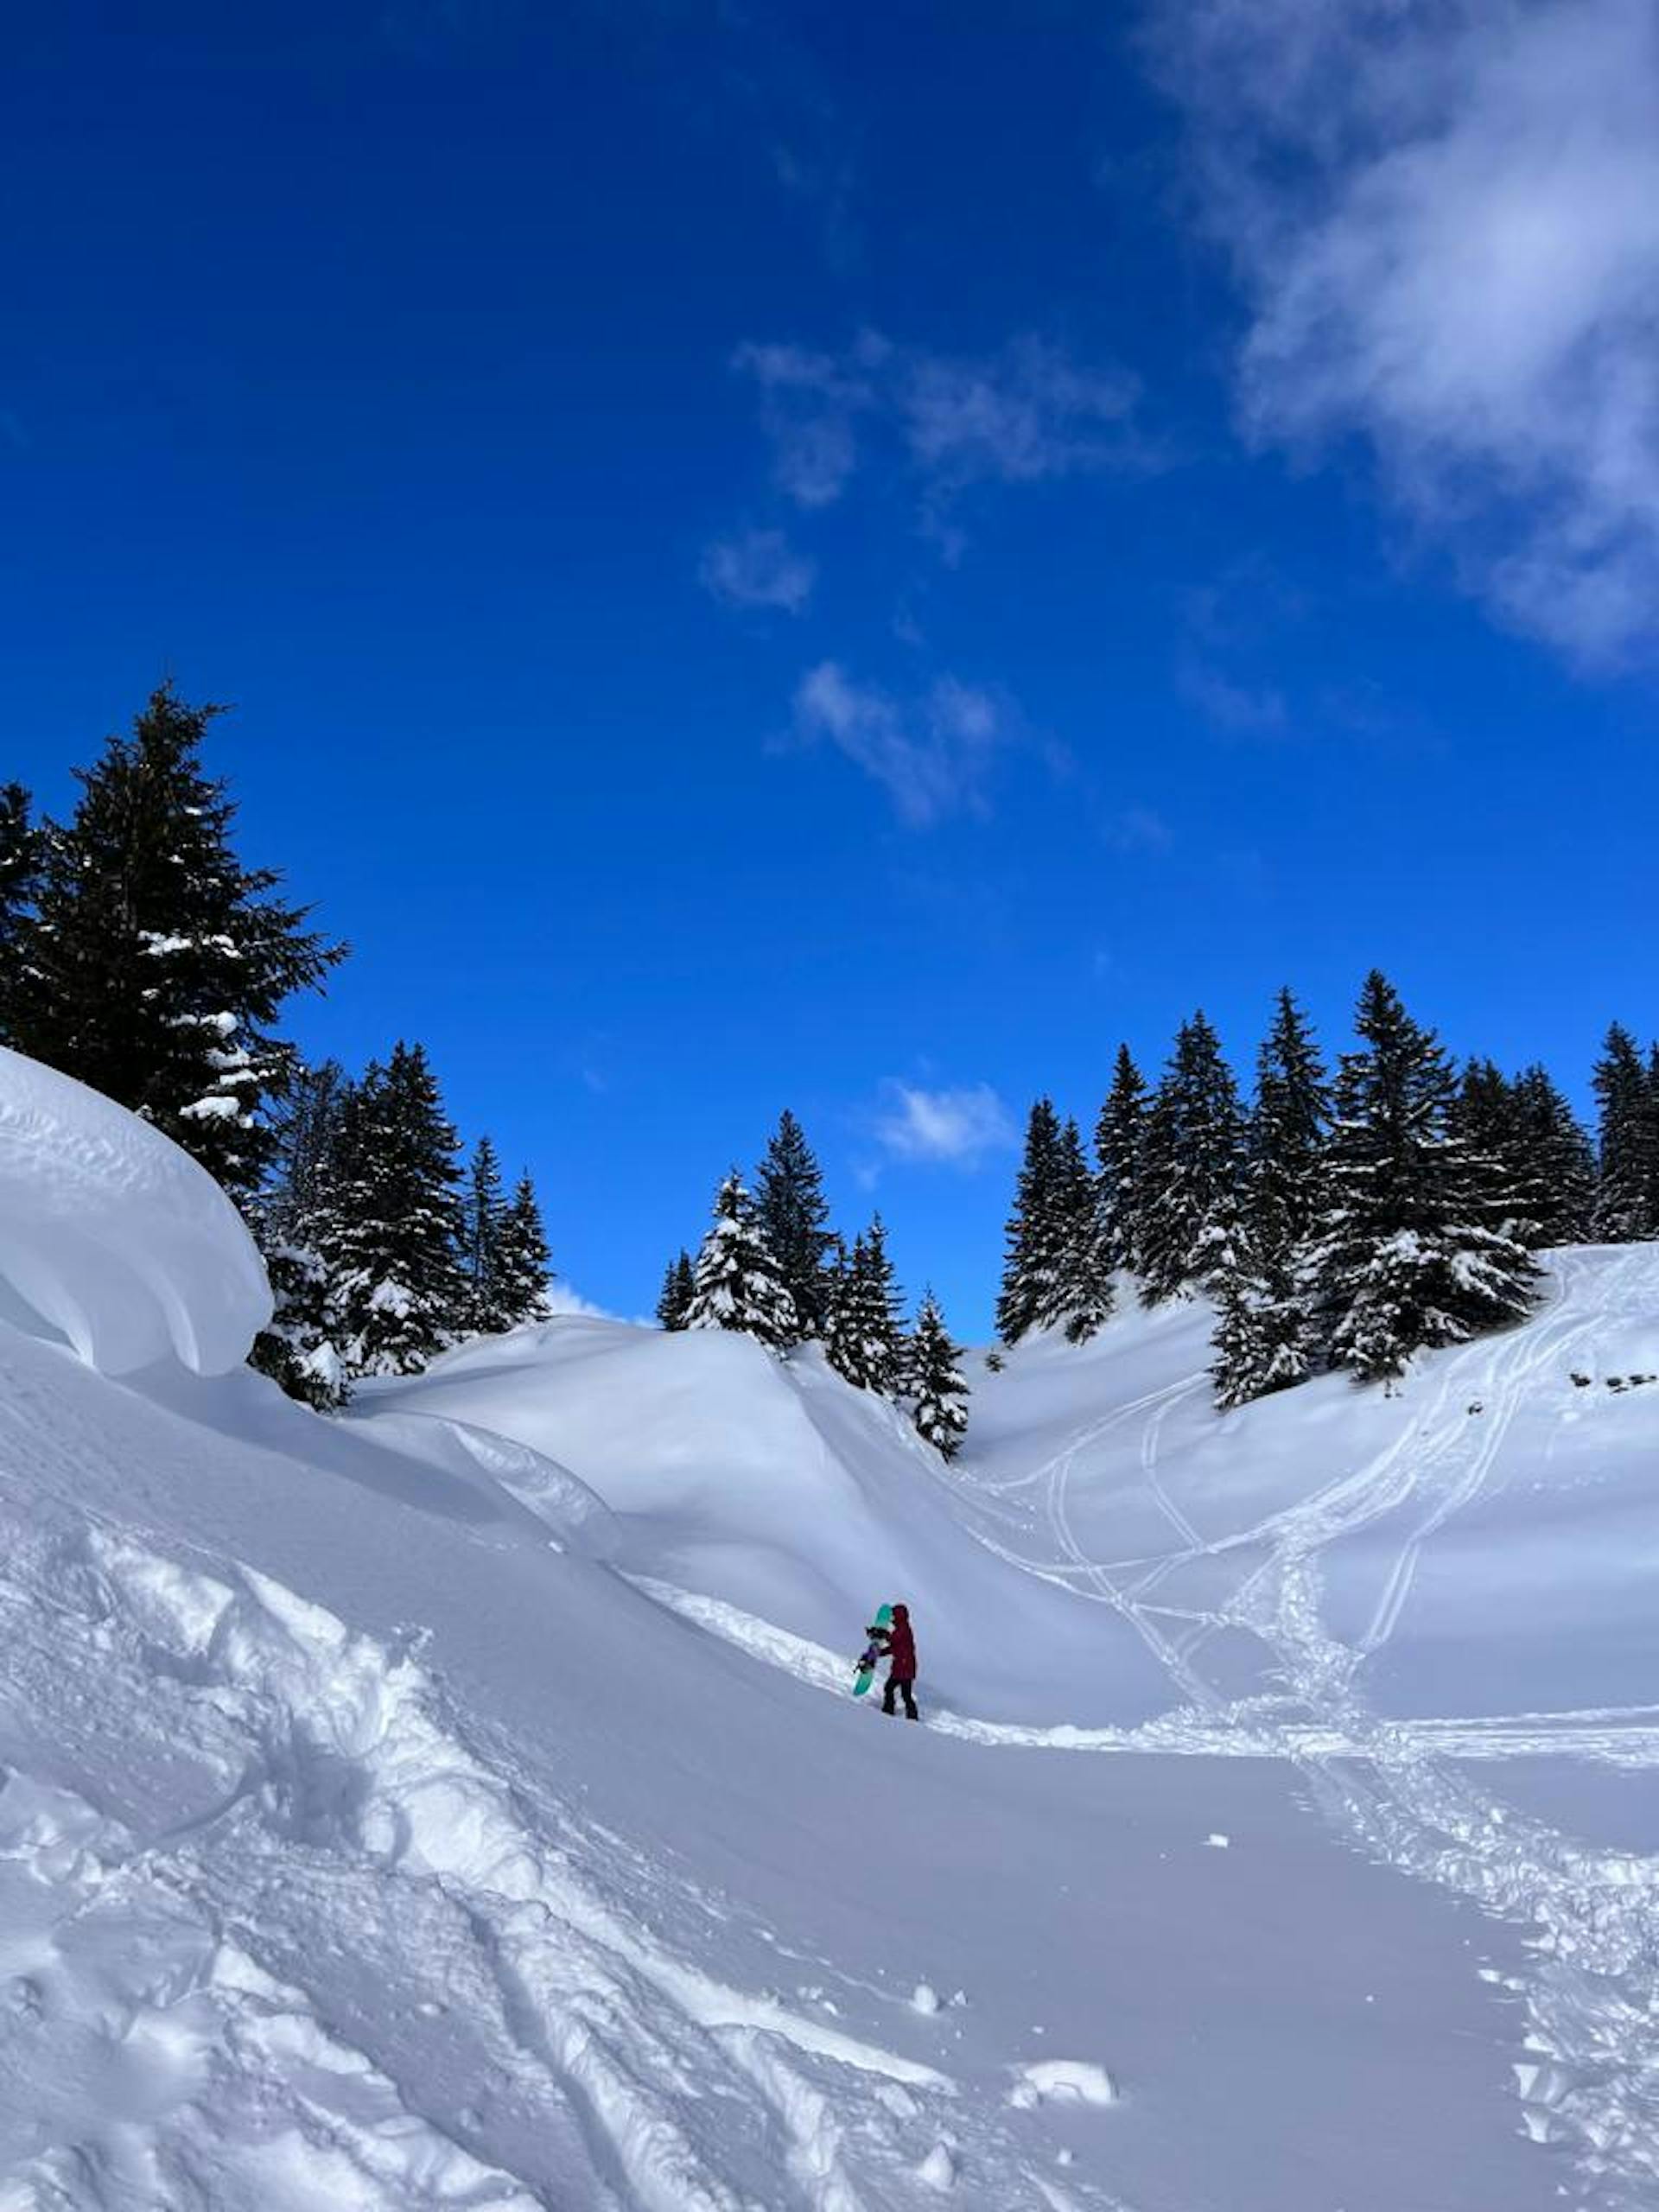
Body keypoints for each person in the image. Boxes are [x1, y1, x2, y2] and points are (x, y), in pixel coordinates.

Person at [874, 1602, 918, 1720]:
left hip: (905, 1667)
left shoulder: (904, 1628)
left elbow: (893, 1639)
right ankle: (890, 1711)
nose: (892, 1618)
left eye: (894, 1615)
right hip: (901, 1667)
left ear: (899, 1616)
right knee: (892, 1689)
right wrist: (880, 1652)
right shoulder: (901, 1628)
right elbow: (894, 1647)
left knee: (902, 1693)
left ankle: (909, 1717)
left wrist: (882, 1634)